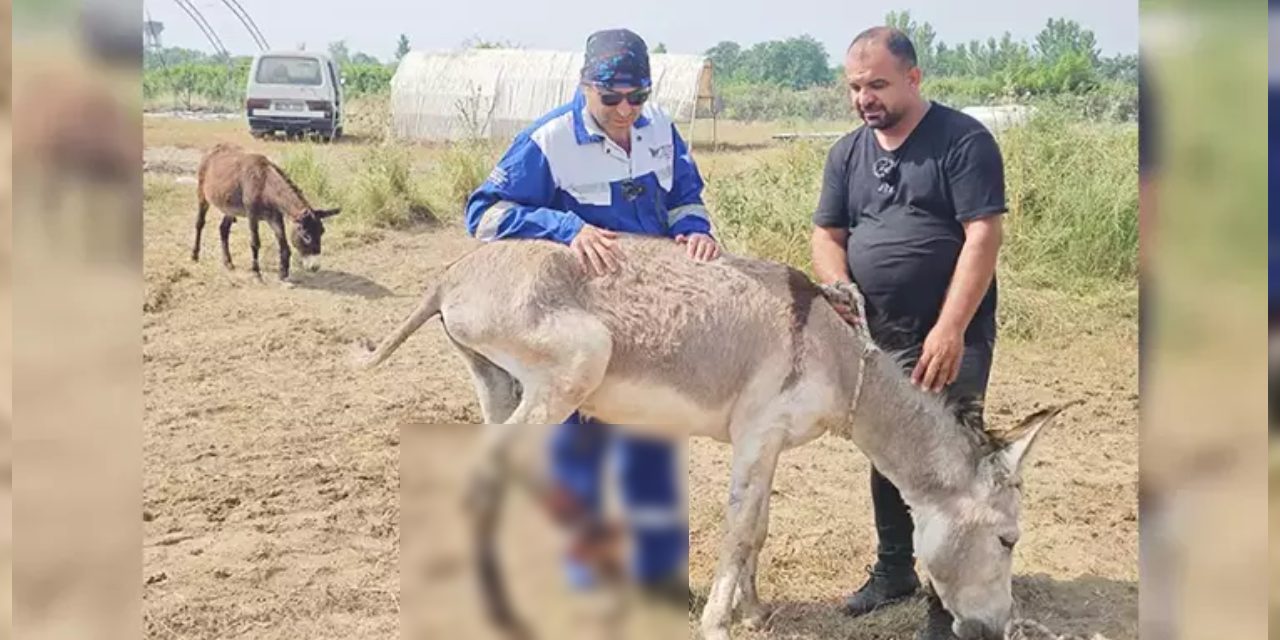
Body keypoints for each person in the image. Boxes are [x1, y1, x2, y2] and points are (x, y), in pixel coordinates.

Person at [464, 27, 719, 595]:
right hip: (582, 322)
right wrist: (565, 226)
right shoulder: (549, 140)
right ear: (585, 86)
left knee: (652, 440)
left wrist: (696, 231)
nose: (627, 110)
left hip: (654, 319)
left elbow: (685, 198)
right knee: (580, 449)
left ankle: (654, 580)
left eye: (638, 97)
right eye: (612, 98)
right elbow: (482, 215)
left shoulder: (661, 132)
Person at [809, 26, 1006, 638]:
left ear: (913, 78)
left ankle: (947, 603)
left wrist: (951, 328)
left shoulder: (963, 141)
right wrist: (840, 289)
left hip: (950, 335)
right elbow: (827, 234)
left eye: (877, 84)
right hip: (876, 339)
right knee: (889, 451)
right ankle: (894, 568)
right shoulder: (847, 153)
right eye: (854, 87)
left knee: (949, 466)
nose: (864, 98)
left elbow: (983, 236)